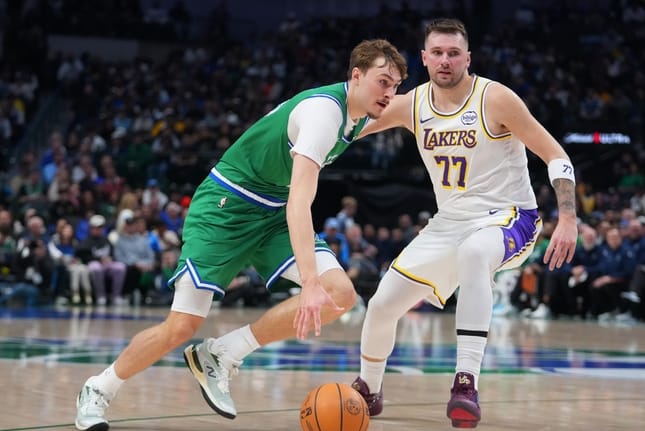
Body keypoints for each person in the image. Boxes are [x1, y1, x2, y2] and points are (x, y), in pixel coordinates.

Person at [74, 39, 407, 431]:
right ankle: (99, 388)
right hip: (228, 206)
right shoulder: (323, 115)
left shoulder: (363, 112)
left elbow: (418, 105)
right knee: (181, 326)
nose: (390, 92)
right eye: (383, 81)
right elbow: (299, 204)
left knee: (342, 294)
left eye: (396, 85)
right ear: (356, 75)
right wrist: (309, 282)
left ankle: (224, 353)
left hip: (270, 211)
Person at [349, 18, 578, 428]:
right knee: (382, 303)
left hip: (510, 217)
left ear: (467, 58)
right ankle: (369, 389)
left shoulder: (496, 98)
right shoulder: (412, 104)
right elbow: (350, 126)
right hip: (449, 223)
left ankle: (466, 381)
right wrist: (301, 140)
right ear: (423, 58)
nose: (445, 60)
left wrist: (569, 216)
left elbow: (556, 154)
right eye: (437, 53)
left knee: (475, 252)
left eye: (454, 53)